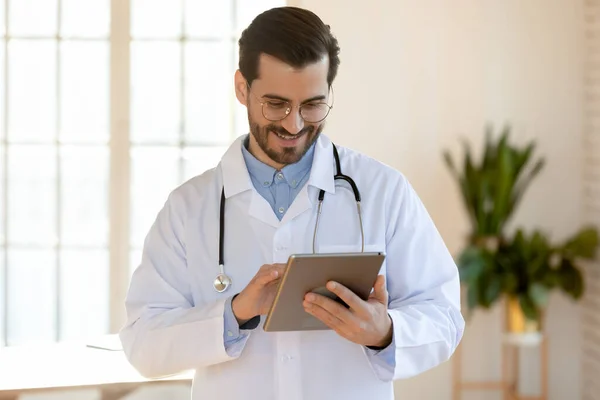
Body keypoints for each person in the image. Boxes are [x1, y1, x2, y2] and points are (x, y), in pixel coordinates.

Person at [119, 6, 465, 400]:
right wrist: (234, 314)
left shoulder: (383, 191)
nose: (294, 124)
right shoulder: (189, 207)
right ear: (241, 88)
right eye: (276, 104)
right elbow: (142, 342)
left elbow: (444, 317)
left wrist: (384, 332)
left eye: (312, 105)